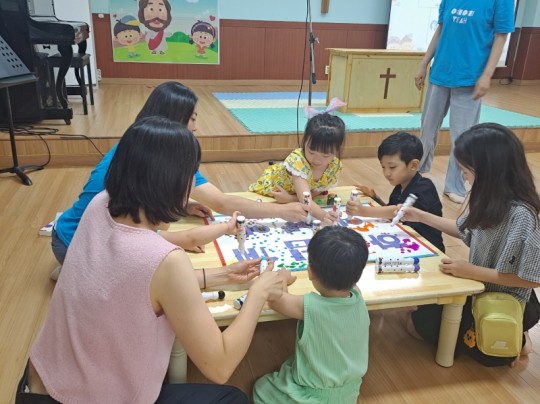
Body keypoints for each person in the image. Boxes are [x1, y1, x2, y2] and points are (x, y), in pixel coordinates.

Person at [17, 116, 295, 403]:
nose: (193, 185)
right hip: (80, 398)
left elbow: (136, 279)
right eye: (192, 175)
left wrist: (220, 275)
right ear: (172, 182)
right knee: (233, 398)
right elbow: (220, 366)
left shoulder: (101, 204)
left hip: (36, 384)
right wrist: (259, 293)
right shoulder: (167, 261)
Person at [51, 81, 308, 276]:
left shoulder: (140, 145)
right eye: (192, 118)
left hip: (76, 233)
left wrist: (183, 206)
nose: (196, 127)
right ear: (173, 119)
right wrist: (280, 211)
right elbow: (220, 204)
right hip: (79, 245)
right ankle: (74, 269)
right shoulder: (159, 158)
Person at [402, 123, 540, 367]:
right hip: (480, 288)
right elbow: (464, 228)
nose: (464, 177)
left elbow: (529, 279)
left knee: (418, 327)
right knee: (418, 318)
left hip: (503, 300)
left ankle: (517, 338)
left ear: (488, 172)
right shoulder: (491, 199)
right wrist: (420, 216)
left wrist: (471, 271)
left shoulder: (522, 215)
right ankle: (514, 336)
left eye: (466, 170)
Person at [252, 226, 369, 403]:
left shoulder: (310, 306)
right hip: (350, 391)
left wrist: (282, 277)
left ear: (310, 271)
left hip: (312, 396)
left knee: (261, 387)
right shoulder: (358, 296)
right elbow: (345, 267)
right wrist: (327, 243)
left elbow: (276, 300)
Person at [414, 0, 515, 204]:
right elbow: (440, 30)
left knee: (462, 138)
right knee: (427, 129)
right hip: (440, 72)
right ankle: (417, 174)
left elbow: (501, 37)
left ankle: (455, 185)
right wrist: (424, 63)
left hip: (470, 78)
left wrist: (487, 75)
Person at [346, 132, 445, 252]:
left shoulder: (425, 187)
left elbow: (399, 211)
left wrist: (363, 211)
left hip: (428, 248)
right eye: (383, 167)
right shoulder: (400, 186)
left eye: (392, 167)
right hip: (406, 242)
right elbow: (392, 213)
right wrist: (375, 198)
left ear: (413, 165)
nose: (386, 173)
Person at [248, 112, 345, 223]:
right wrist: (324, 216)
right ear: (305, 142)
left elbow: (317, 190)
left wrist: (290, 199)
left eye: (325, 155)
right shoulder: (298, 161)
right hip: (276, 188)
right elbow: (305, 199)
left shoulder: (334, 165)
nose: (317, 160)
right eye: (311, 152)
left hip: (295, 196)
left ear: (336, 150)